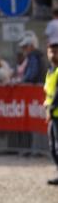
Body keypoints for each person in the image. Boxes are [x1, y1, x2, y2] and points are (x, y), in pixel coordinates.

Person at [44, 39, 58, 185]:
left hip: (55, 113)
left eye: (56, 52)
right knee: (53, 147)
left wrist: (51, 108)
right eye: (51, 51)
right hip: (53, 114)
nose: (53, 54)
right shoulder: (50, 71)